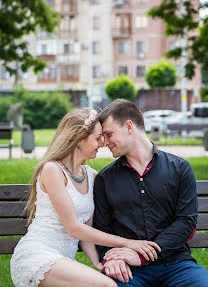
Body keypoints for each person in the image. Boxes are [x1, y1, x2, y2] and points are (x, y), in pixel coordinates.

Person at [10, 108, 160, 287]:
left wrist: (99, 263)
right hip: (37, 255)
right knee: (108, 286)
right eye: (98, 138)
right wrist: (129, 244)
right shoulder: (52, 170)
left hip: (63, 261)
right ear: (79, 140)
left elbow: (86, 229)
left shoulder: (92, 176)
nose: (102, 144)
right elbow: (74, 228)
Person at [93, 99, 208, 287]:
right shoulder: (105, 179)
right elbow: (102, 229)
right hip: (129, 270)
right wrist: (112, 259)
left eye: (109, 134)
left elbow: (186, 222)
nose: (105, 143)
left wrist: (143, 255)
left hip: (176, 265)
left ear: (129, 127)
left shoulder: (180, 168)